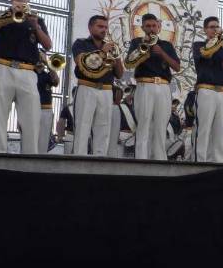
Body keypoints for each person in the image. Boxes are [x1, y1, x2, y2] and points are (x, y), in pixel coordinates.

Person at [0, 0, 51, 154]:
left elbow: (48, 45)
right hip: (3, 67)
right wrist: (8, 15)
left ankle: (30, 155)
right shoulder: (0, 14)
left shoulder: (37, 19)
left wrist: (35, 25)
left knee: (31, 117)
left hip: (28, 71)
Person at [126, 13, 180, 160]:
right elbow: (128, 63)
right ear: (142, 27)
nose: (151, 29)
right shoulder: (136, 42)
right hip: (144, 85)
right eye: (148, 26)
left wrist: (161, 52)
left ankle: (160, 160)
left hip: (163, 86)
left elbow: (177, 67)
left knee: (161, 126)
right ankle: (141, 160)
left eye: (154, 26)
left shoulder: (166, 45)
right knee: (143, 125)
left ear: (159, 27)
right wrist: (142, 50)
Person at [71, 15, 123, 156]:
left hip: (106, 90)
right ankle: (78, 163)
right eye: (100, 26)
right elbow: (83, 64)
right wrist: (102, 52)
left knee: (103, 130)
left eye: (105, 27)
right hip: (86, 87)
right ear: (90, 27)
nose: (104, 30)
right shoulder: (80, 44)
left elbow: (119, 74)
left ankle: (99, 161)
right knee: (82, 128)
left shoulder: (109, 46)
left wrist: (117, 56)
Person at [193, 16, 223, 163]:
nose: (216, 29)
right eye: (212, 27)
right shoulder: (199, 45)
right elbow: (206, 55)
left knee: (220, 128)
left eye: (217, 27)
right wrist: (217, 43)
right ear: (205, 30)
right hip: (206, 89)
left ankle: (218, 159)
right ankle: (200, 159)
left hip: (222, 91)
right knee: (204, 127)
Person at [36, 52, 60, 154]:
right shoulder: (29, 73)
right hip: (31, 110)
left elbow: (56, 81)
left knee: (43, 142)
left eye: (42, 56)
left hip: (46, 110)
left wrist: (47, 63)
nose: (40, 58)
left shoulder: (47, 75)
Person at [57, 87, 76, 155]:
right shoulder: (67, 108)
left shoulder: (86, 109)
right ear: (73, 95)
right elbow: (61, 122)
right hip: (70, 136)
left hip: (82, 138)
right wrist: (60, 136)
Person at [182, 89, 196, 161]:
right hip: (191, 128)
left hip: (197, 129)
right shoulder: (192, 95)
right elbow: (188, 110)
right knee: (188, 151)